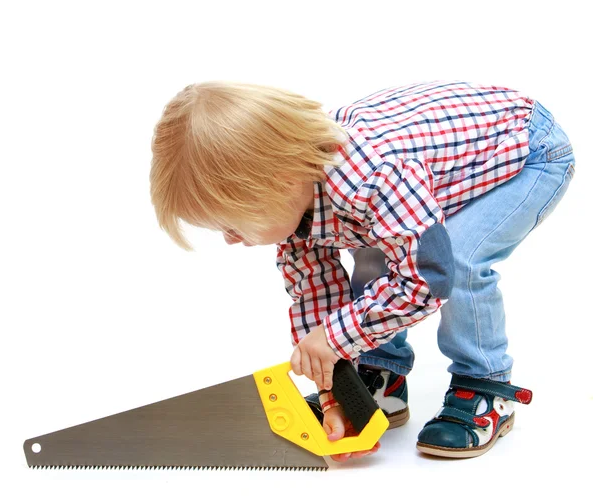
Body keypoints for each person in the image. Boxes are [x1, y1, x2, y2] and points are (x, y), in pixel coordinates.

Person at [149, 80, 575, 461]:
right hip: (429, 180)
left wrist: (336, 338)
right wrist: (336, 384)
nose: (230, 239)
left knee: (459, 261)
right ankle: (380, 374)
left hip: (527, 152)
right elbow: (315, 292)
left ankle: (484, 384)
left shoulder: (370, 176)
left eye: (232, 224)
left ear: (276, 181)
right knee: (377, 252)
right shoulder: (296, 207)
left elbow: (428, 277)